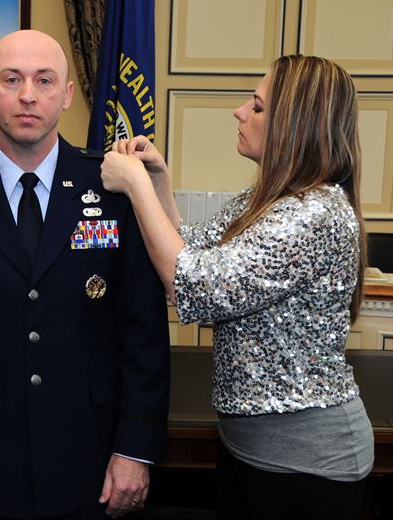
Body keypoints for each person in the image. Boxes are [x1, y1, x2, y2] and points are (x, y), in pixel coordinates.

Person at [0, 30, 170, 520]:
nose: (28, 94)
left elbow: (144, 334)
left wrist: (136, 449)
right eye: (11, 79)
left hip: (91, 463)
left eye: (44, 81)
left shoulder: (113, 189)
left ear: (66, 96)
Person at [100, 55, 373, 519]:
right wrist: (160, 182)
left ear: (295, 124)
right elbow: (192, 253)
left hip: (305, 467)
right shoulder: (268, 198)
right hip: (253, 451)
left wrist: (136, 190)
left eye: (258, 106)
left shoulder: (314, 212)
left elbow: (196, 289)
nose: (240, 112)